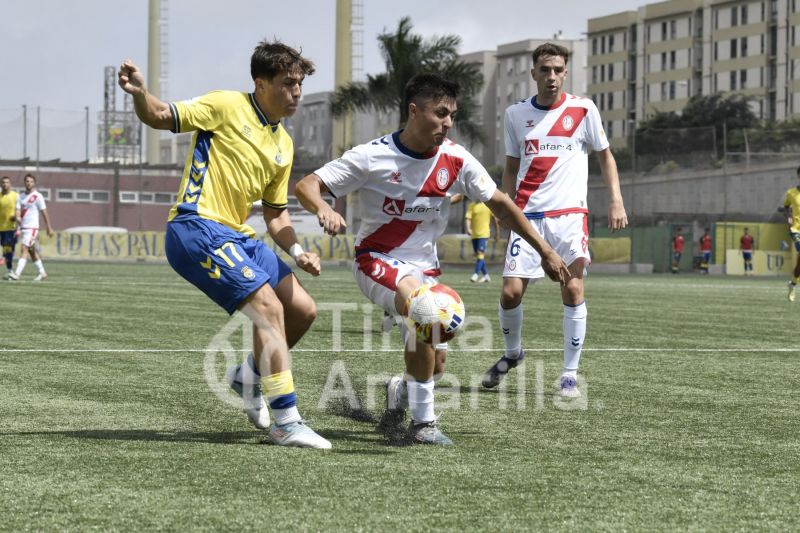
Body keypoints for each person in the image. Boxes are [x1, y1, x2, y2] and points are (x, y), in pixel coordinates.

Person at [295, 73, 570, 445]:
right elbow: (307, 184)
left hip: (425, 267)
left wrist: (547, 251)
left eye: (452, 115)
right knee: (422, 309)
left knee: (435, 363)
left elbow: (503, 205)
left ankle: (401, 392)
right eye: (441, 113)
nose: (447, 123)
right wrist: (322, 208)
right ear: (414, 110)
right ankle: (424, 424)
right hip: (375, 259)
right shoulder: (372, 156)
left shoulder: (455, 159)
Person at [118, 40, 330, 449]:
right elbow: (161, 116)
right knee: (268, 308)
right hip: (196, 227)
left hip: (237, 233)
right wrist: (141, 93)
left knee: (303, 310)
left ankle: (248, 376)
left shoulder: (283, 144)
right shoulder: (225, 105)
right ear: (261, 83)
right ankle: (286, 421)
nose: (297, 92)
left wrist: (298, 251)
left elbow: (275, 213)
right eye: (288, 83)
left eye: (300, 84)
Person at [480, 43, 627, 397]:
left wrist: (616, 200)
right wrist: (504, 209)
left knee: (573, 288)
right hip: (527, 215)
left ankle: (569, 374)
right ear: (533, 73)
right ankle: (513, 354)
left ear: (566, 73)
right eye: (545, 69)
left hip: (570, 216)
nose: (552, 76)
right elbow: (511, 167)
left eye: (558, 70)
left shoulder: (583, 109)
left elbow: (606, 157)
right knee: (510, 292)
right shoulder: (515, 115)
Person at [8, 174, 53, 281]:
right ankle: (42, 273)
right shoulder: (21, 196)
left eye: (31, 181)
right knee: (32, 251)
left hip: (32, 228)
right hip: (24, 228)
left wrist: (49, 227)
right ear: (24, 182)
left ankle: (17, 274)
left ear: (34, 183)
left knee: (24, 248)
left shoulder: (38, 196)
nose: (29, 183)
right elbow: (18, 209)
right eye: (27, 181)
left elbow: (44, 212)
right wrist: (18, 217)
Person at [465, 200, 499, 282]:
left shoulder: (488, 205)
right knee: (479, 256)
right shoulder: (472, 205)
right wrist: (468, 228)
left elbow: (494, 219)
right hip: (474, 235)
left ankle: (475, 274)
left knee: (480, 253)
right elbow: (468, 218)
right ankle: (486, 275)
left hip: (484, 234)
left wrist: (497, 232)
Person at [781, 166, 800, 301]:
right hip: (796, 229)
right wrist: (788, 218)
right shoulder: (791, 193)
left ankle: (792, 284)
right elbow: (786, 207)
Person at [0, 176, 19, 279]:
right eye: (3, 182)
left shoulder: (16, 196)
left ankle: (10, 270)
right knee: (7, 250)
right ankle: (9, 270)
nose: (5, 184)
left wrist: (16, 216)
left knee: (8, 249)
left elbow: (21, 209)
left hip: (11, 228)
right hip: (1, 228)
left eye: (7, 182)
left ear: (10, 184)